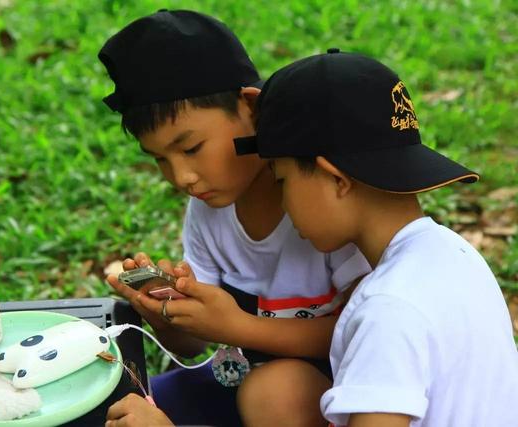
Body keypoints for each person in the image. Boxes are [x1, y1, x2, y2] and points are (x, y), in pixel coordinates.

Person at [99, 10, 371, 427]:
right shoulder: (208, 210)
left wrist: (238, 326)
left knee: (276, 392)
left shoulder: (322, 200)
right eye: (160, 160)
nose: (182, 177)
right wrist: (167, 311)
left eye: (191, 149)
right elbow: (193, 345)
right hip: (240, 374)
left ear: (251, 108)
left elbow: (361, 331)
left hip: (329, 381)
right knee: (127, 404)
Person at [226, 48, 518, 426]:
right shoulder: (455, 253)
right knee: (275, 391)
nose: (283, 201)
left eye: (282, 180)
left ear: (336, 179)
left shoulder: (387, 308)